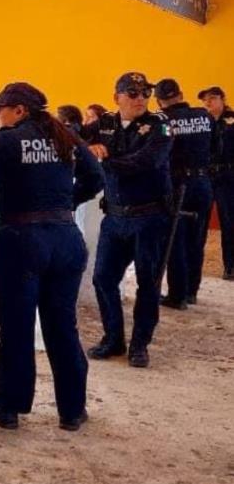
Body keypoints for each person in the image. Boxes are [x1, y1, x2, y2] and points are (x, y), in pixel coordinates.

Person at [0, 83, 104, 431]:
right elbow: (95, 177)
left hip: (21, 240)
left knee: (16, 327)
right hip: (65, 238)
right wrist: (64, 204)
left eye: (0, 110)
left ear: (19, 110)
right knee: (63, 326)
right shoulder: (67, 138)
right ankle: (72, 411)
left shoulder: (9, 139)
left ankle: (9, 407)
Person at [83, 72, 173, 368]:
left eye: (145, 93)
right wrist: (88, 147)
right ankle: (113, 339)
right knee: (103, 278)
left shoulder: (160, 126)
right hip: (115, 218)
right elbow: (72, 135)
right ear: (117, 96)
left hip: (149, 218)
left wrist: (102, 160)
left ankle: (139, 345)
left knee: (148, 283)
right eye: (132, 93)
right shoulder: (106, 124)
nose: (140, 98)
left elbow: (145, 162)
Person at [155, 79, 213, 309]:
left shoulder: (164, 120)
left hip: (177, 183)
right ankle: (191, 291)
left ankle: (177, 295)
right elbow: (215, 146)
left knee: (175, 239)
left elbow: (161, 152)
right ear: (180, 95)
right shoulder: (204, 115)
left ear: (159, 101)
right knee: (197, 238)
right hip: (203, 182)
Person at [200, 86, 234, 280]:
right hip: (207, 176)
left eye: (212, 99)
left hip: (228, 177)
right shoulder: (204, 122)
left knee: (229, 222)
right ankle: (196, 266)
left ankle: (230, 265)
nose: (208, 103)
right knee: (200, 221)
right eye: (205, 100)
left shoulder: (232, 120)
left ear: (222, 99)